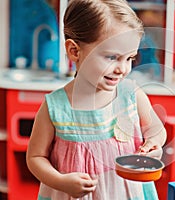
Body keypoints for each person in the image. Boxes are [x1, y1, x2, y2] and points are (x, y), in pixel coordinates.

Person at [26, 0, 167, 199]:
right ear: (74, 51)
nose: (123, 69)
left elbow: (156, 129)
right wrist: (60, 181)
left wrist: (154, 143)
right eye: (112, 57)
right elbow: (35, 157)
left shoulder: (132, 96)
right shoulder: (55, 107)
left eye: (129, 58)